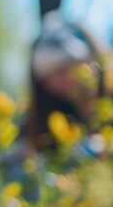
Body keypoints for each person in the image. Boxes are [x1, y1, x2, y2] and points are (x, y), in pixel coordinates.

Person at [26, 11, 111, 155]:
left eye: (61, 69)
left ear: (91, 59)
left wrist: (104, 148)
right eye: (46, 78)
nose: (54, 83)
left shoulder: (108, 103)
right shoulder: (52, 114)